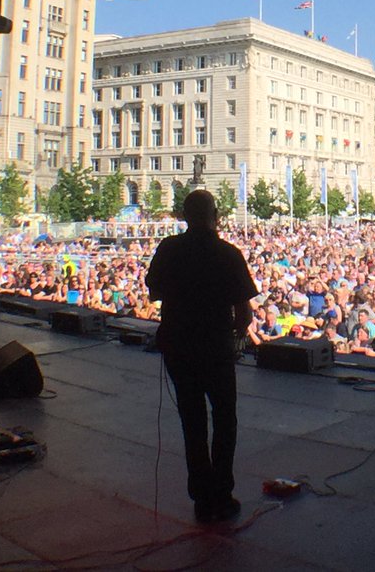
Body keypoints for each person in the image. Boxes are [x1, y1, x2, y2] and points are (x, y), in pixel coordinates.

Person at [146, 190, 258, 524]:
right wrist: (236, 333)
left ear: (184, 215)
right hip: (215, 348)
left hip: (179, 347)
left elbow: (154, 291)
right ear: (216, 216)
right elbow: (244, 313)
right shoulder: (228, 254)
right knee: (225, 420)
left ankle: (200, 496)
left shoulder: (168, 249)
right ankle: (221, 493)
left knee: (192, 421)